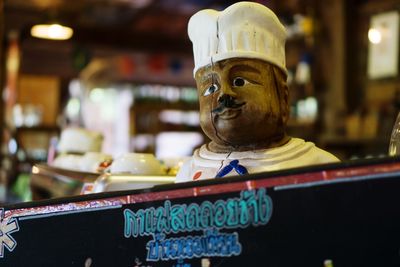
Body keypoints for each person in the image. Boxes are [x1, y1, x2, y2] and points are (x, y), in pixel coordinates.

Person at [176, 2, 339, 182]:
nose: (224, 95)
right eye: (211, 88)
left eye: (240, 81)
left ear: (283, 96)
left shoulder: (316, 167)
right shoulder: (188, 172)